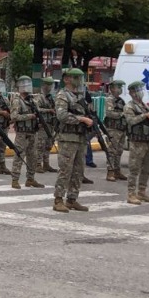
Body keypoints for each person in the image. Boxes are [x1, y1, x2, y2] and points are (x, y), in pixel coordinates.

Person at [53, 68, 93, 213]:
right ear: (66, 79)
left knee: (78, 170)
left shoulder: (80, 96)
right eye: (75, 77)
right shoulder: (63, 95)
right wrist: (81, 119)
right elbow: (62, 115)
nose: (78, 80)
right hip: (68, 139)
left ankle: (72, 199)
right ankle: (58, 200)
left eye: (79, 77)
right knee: (65, 170)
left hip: (81, 138)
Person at [123, 81, 149, 205]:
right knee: (134, 169)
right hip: (137, 142)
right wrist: (144, 116)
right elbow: (130, 121)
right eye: (138, 90)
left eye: (140, 89)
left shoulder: (144, 106)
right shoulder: (129, 107)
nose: (140, 92)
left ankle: (142, 192)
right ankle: (131, 194)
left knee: (147, 168)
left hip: (148, 141)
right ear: (132, 92)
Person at [8, 76, 43, 189]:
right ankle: (15, 180)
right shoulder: (17, 101)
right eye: (25, 84)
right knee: (19, 156)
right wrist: (30, 116)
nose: (27, 86)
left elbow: (38, 114)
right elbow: (14, 116)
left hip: (33, 132)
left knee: (33, 157)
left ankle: (30, 179)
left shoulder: (32, 100)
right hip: (22, 133)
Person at [103, 80, 129, 183]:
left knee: (119, 151)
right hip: (113, 129)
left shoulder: (121, 100)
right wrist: (122, 114)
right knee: (112, 151)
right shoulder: (110, 99)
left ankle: (117, 171)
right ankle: (110, 171)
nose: (120, 89)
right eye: (118, 87)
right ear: (113, 88)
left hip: (121, 129)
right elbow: (110, 113)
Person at [33, 77, 59, 174]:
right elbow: (37, 109)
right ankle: (38, 164)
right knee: (40, 145)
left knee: (48, 145)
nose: (50, 87)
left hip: (51, 124)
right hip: (43, 125)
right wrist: (49, 110)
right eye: (49, 85)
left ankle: (46, 164)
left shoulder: (51, 98)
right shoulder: (39, 98)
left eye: (51, 85)